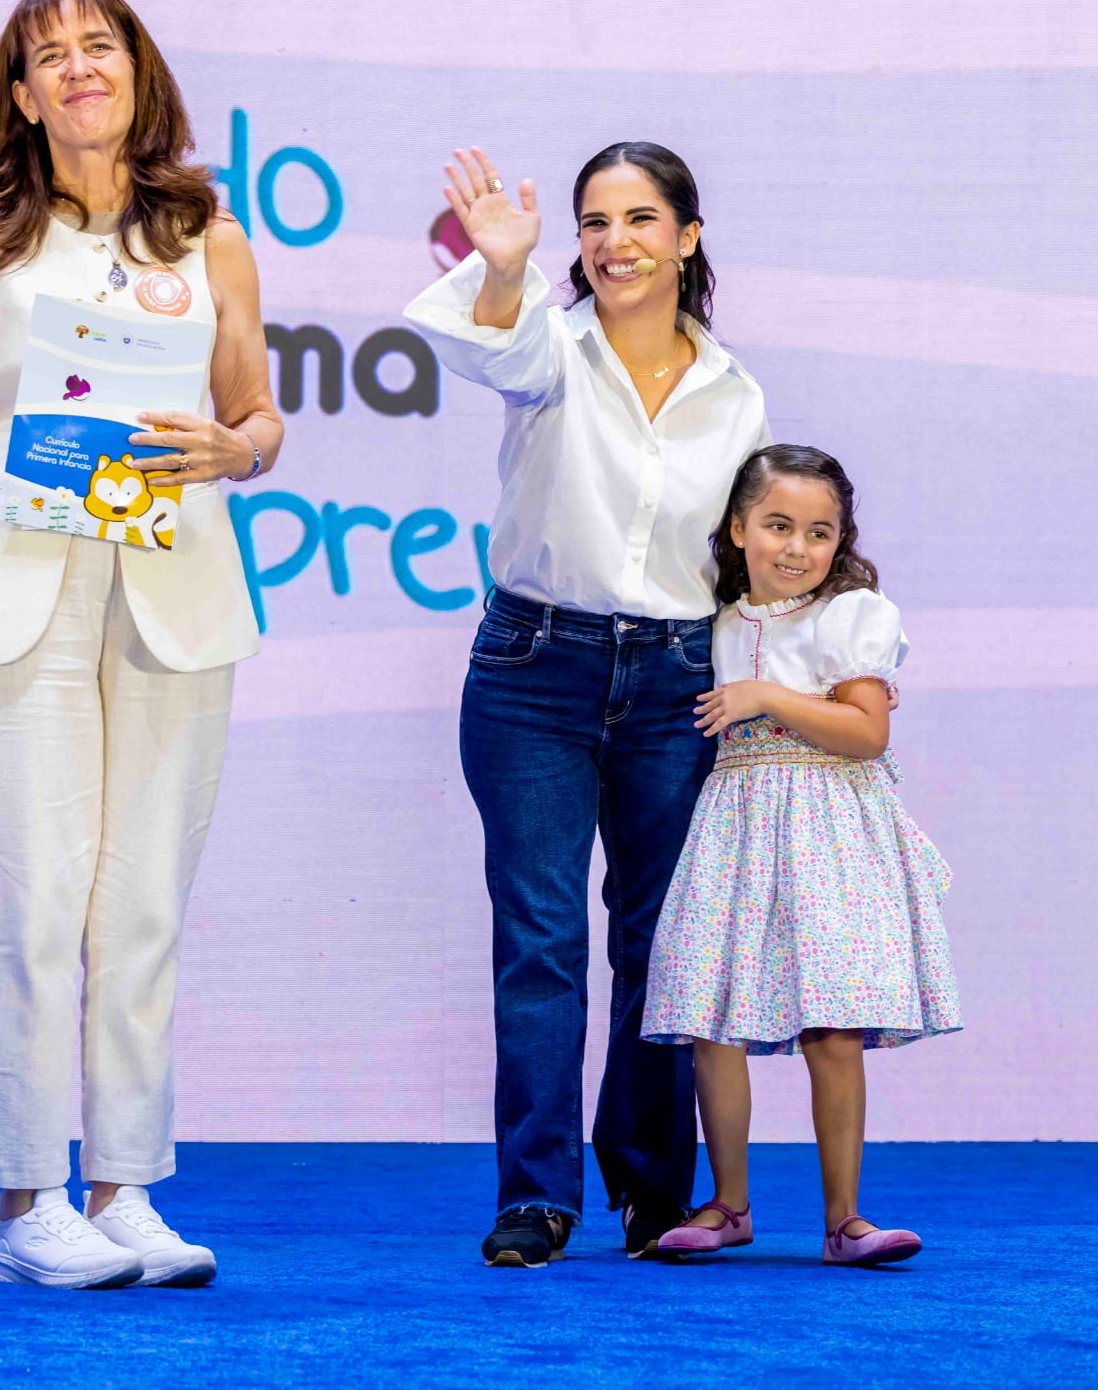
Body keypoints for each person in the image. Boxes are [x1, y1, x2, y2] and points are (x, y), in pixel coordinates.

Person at [0, 0, 281, 1290]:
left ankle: (125, 1187)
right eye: (51, 55)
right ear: (21, 96)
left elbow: (257, 411)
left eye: (100, 45)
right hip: (21, 594)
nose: (80, 67)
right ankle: (27, 1207)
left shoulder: (210, 235)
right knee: (32, 907)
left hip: (178, 592)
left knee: (140, 911)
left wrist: (240, 451)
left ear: (138, 70)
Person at [406, 141, 771, 1267]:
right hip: (535, 669)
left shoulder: (735, 392)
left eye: (641, 219)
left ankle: (653, 1191)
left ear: (688, 237)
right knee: (542, 941)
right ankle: (537, 1196)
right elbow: (489, 347)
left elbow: (741, 561)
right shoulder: (551, 347)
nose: (617, 243)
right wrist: (500, 264)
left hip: (677, 680)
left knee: (661, 944)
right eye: (595, 223)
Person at [640, 444, 961, 1267]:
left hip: (829, 826)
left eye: (820, 532)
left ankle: (845, 1220)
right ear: (737, 527)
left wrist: (767, 696)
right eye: (778, 525)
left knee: (833, 1021)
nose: (797, 547)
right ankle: (729, 1204)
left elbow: (866, 731)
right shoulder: (715, 619)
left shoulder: (850, 613)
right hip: (737, 822)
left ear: (841, 539)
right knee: (714, 1014)